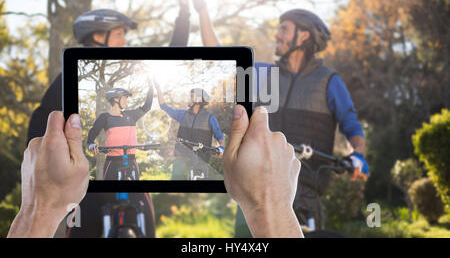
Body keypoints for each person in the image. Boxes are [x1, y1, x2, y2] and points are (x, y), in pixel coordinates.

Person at [188, 0, 369, 235]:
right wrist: (203, 10)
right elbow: (221, 57)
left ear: (303, 36)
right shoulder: (265, 75)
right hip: (256, 184)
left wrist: (357, 155)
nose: (277, 35)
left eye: (284, 29)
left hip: (305, 188)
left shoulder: (328, 81)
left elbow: (351, 126)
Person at [26, 0, 190, 238]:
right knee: (78, 225)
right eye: (118, 35)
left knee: (144, 216)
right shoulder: (71, 78)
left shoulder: (131, 67)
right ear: (97, 36)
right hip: (88, 180)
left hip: (129, 170)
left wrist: (184, 14)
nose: (125, 42)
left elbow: (173, 54)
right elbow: (41, 123)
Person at [9, 106, 303, 238]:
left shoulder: (136, 114)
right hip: (113, 160)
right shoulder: (104, 117)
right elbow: (95, 133)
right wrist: (272, 208)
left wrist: (37, 211)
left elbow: (153, 104)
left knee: (145, 199)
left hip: (157, 158)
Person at [155, 82, 225, 180]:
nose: (188, 99)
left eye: (191, 97)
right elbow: (164, 106)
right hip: (182, 155)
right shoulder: (183, 114)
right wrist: (158, 88)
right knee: (177, 179)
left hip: (201, 158)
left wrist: (221, 148)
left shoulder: (209, 117)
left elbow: (219, 136)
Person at [87, 86, 153, 180]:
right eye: (124, 98)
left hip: (131, 160)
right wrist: (91, 144)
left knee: (138, 194)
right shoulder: (105, 117)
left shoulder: (131, 115)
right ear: (116, 98)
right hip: (113, 162)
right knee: (109, 194)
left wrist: (151, 88)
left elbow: (147, 107)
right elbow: (93, 131)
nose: (126, 101)